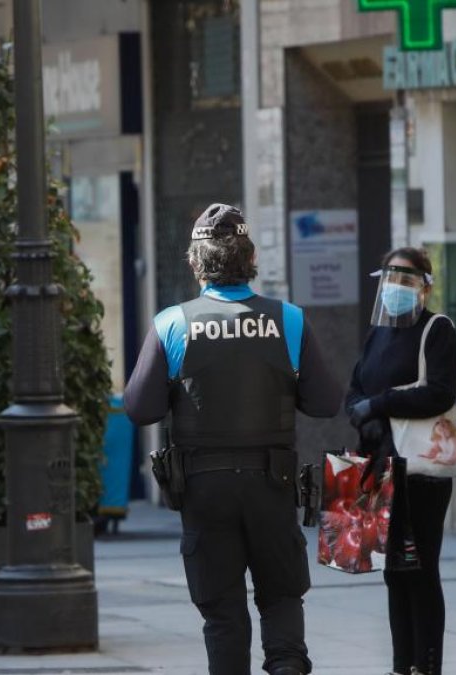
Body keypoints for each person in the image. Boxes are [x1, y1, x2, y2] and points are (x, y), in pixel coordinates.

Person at [123, 204, 342, 675]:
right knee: (282, 596)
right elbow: (325, 402)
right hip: (272, 483)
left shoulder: (172, 323)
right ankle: (285, 666)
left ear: (195, 261)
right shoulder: (289, 320)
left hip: (204, 489)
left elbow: (140, 409)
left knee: (223, 613)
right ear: (250, 257)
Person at [346, 247, 456, 675]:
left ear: (425, 287)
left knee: (420, 568)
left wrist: (381, 405)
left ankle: (426, 663)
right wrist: (362, 410)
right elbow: (355, 387)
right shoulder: (377, 333)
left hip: (421, 471)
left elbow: (440, 392)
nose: (396, 287)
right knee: (394, 570)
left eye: (406, 279)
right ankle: (401, 664)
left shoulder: (436, 330)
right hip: (379, 465)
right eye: (390, 278)